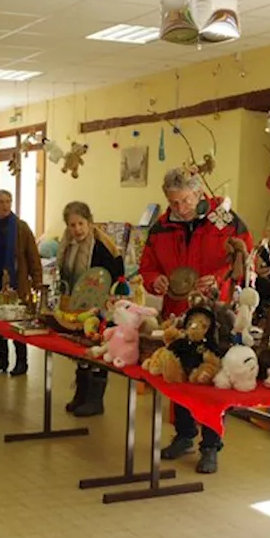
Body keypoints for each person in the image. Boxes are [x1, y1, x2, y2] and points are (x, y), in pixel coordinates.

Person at [140, 169, 252, 474]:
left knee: (213, 377)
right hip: (177, 310)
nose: (180, 208)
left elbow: (245, 260)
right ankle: (185, 435)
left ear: (199, 192)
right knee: (179, 373)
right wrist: (155, 281)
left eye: (185, 200)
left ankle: (211, 445)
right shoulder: (161, 227)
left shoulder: (226, 220)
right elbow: (147, 266)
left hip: (217, 312)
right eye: (173, 202)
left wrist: (217, 279)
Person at [57, 201, 125, 418]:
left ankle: (96, 400)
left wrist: (105, 298)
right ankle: (81, 394)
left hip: (101, 305)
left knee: (97, 347)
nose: (77, 229)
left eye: (80, 224)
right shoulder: (67, 244)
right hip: (77, 303)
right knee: (80, 349)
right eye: (72, 225)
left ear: (89, 222)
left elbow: (116, 272)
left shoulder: (103, 245)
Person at [0, 189, 42, 376]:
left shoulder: (21, 228)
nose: (5, 205)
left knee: (17, 323)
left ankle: (22, 362)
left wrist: (37, 281)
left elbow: (33, 256)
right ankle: (2, 359)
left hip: (18, 283)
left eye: (8, 201)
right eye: (1, 202)